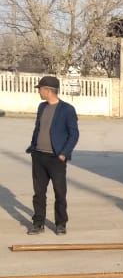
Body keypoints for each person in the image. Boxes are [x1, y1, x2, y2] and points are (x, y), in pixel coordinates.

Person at [25, 75, 80, 235]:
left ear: (48, 90)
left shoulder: (67, 109)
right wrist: (33, 147)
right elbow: (38, 128)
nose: (39, 92)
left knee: (60, 193)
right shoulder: (42, 107)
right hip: (39, 156)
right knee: (39, 193)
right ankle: (38, 224)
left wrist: (64, 153)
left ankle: (61, 224)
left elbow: (74, 134)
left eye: (40, 89)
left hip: (56, 158)